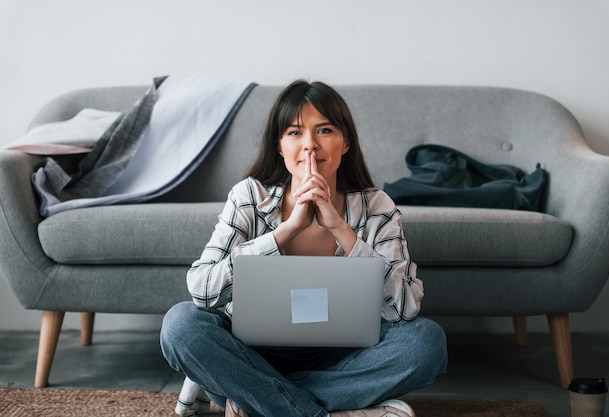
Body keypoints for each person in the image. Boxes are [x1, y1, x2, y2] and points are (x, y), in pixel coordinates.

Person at [160, 80, 448, 417]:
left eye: (324, 130)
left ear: (345, 144)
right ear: (280, 146)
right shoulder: (249, 197)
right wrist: (286, 230)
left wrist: (342, 231)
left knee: (427, 343)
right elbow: (202, 291)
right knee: (181, 325)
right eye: (295, 133)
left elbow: (404, 311)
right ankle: (326, 410)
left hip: (342, 356)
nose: (310, 146)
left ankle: (260, 402)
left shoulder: (376, 206)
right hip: (254, 352)